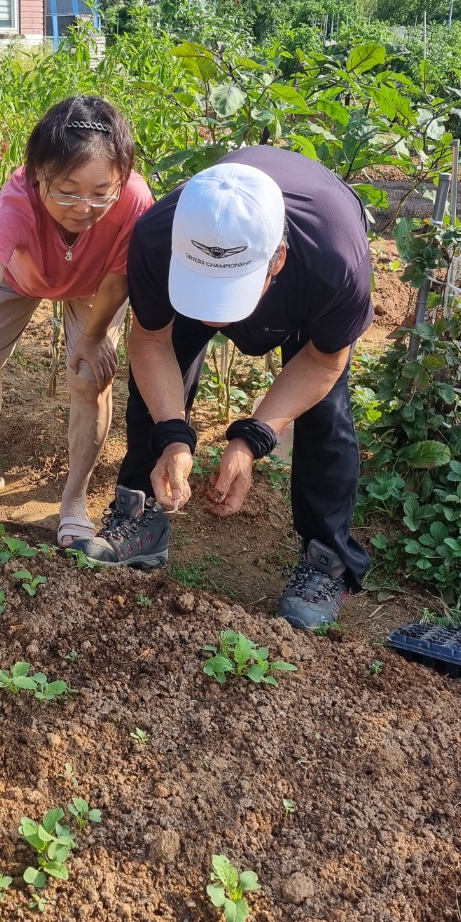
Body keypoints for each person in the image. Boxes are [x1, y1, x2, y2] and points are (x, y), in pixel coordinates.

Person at [76, 146, 374, 629]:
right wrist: (173, 435)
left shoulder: (334, 256)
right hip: (218, 268)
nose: (214, 313)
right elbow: (151, 341)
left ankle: (327, 562)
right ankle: (140, 512)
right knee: (152, 399)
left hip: (307, 285)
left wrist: (254, 437)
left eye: (228, 290)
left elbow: (324, 361)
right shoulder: (157, 235)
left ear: (275, 259)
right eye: (202, 288)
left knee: (326, 419)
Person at [0, 95, 154, 545]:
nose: (84, 207)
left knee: (89, 377)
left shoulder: (135, 200)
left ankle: (74, 499)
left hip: (97, 286)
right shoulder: (16, 201)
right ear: (38, 175)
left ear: (121, 180)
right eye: (67, 190)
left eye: (102, 193)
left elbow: (121, 277)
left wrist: (97, 335)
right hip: (22, 277)